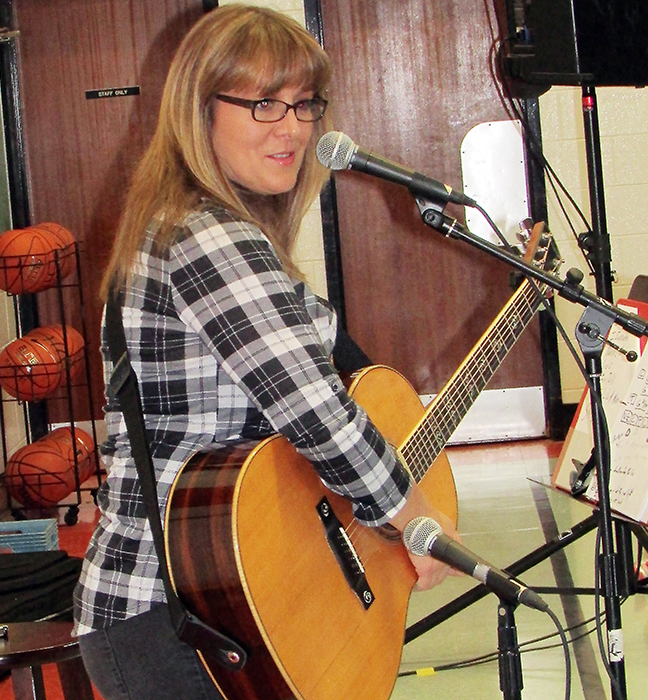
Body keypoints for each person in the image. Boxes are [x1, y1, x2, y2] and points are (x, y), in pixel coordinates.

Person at [73, 4, 458, 699]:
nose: (292, 127)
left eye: (303, 104)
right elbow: (317, 415)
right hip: (178, 620)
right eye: (262, 104)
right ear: (201, 110)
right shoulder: (209, 237)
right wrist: (414, 520)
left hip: (199, 605)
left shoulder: (185, 227)